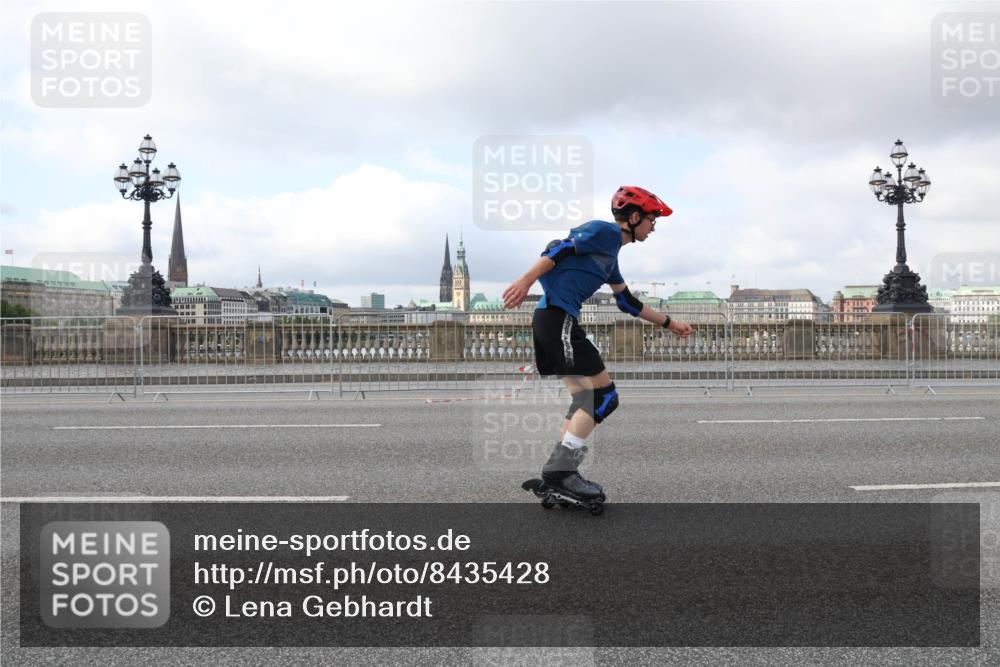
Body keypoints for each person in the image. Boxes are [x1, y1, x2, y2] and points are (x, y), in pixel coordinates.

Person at [502, 185, 693, 501]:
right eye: (651, 219)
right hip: (557, 318)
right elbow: (559, 249)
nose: (654, 226)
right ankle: (559, 473)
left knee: (584, 399)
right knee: (605, 397)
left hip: (553, 320)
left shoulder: (611, 256)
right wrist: (526, 280)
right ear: (633, 217)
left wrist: (671, 324)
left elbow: (628, 302)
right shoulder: (605, 232)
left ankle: (560, 473)